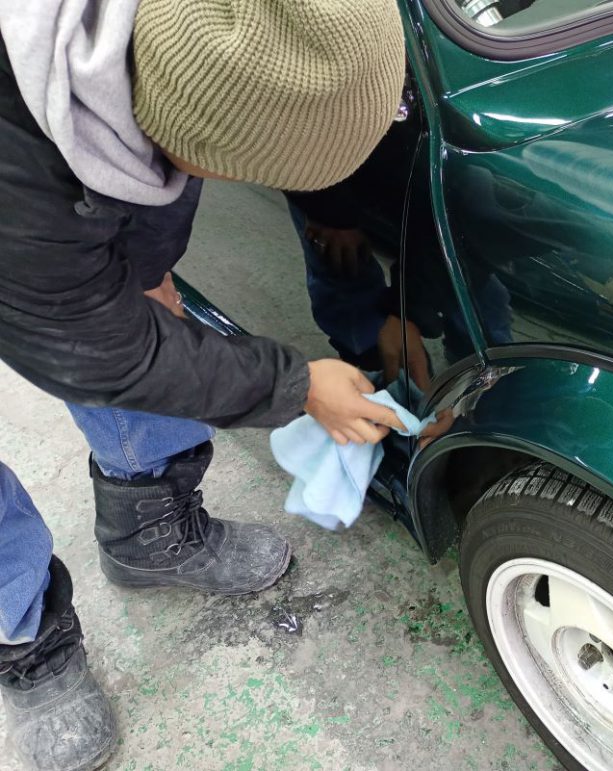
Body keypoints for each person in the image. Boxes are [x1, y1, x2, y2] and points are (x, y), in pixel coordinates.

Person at [0, 0, 407, 768]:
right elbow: (98, 349)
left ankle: (147, 532)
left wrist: (143, 268)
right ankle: (21, 631)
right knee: (120, 339)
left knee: (143, 308)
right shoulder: (25, 188)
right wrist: (298, 384)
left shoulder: (179, 61)